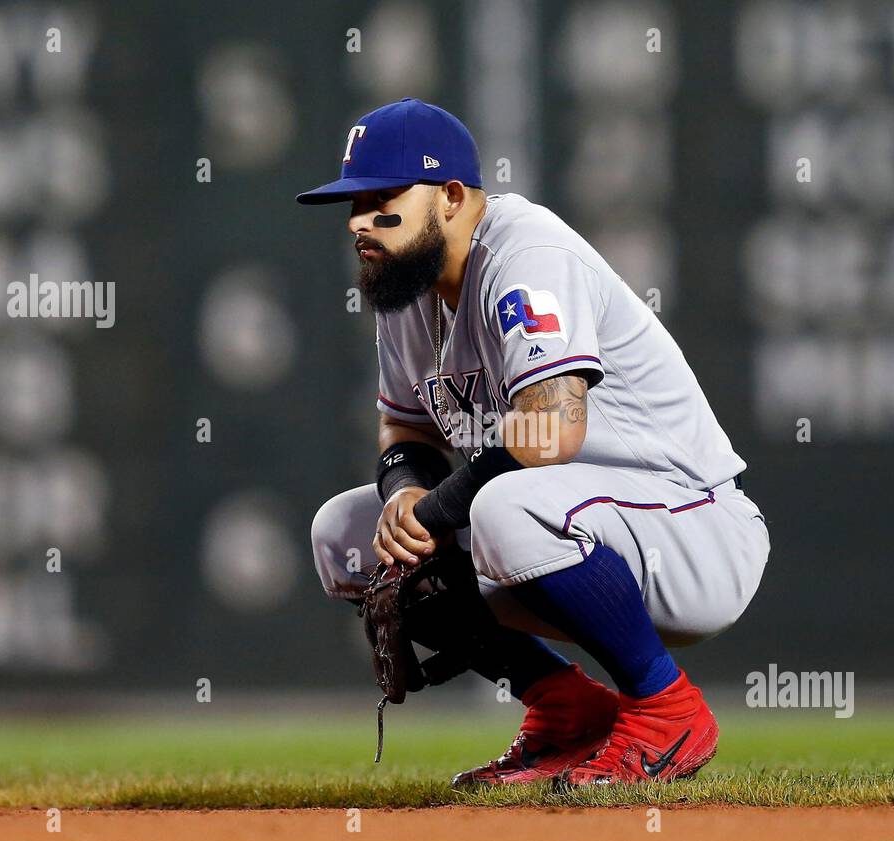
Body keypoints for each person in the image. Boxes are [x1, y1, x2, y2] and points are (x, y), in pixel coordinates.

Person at [304, 98, 769, 786]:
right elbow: (406, 425)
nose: (360, 223)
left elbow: (550, 429)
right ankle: (564, 709)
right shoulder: (410, 288)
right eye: (353, 205)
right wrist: (405, 496)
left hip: (690, 532)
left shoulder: (528, 254)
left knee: (500, 506)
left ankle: (667, 709)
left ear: (453, 198)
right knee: (344, 531)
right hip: (564, 534)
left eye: (382, 201)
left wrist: (434, 514)